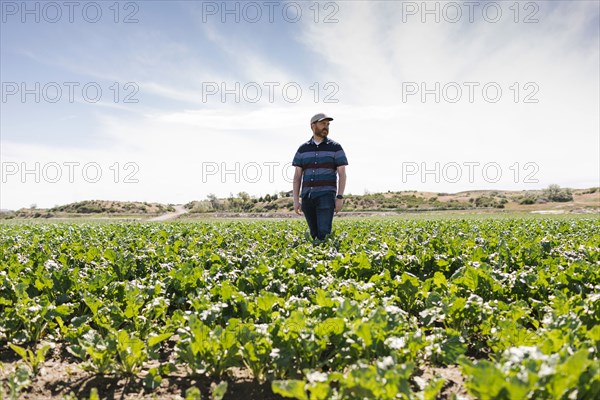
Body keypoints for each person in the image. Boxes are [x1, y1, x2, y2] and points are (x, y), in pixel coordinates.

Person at [292, 113, 348, 241]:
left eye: (328, 124)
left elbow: (342, 174)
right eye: (323, 124)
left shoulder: (335, 147)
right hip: (307, 198)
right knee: (313, 234)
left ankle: (326, 258)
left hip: (326, 197)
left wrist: (339, 197)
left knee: (324, 233)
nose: (326, 127)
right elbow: (297, 177)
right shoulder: (302, 149)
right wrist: (296, 200)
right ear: (313, 126)